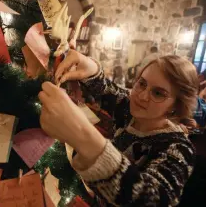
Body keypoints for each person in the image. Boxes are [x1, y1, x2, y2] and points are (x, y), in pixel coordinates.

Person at [38, 50, 198, 206]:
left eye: (158, 93)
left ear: (176, 105)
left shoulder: (178, 148)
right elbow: (107, 89)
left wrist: (84, 137)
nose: (142, 96)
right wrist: (89, 66)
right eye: (142, 83)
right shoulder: (130, 110)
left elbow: (152, 198)